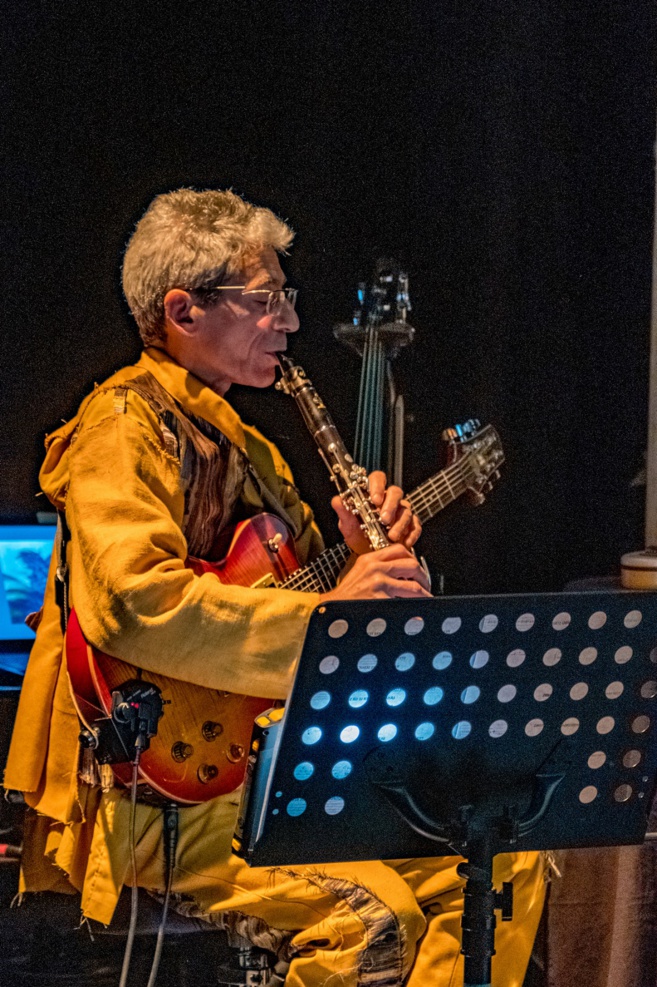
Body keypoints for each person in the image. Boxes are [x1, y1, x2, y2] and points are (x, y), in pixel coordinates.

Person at [4, 189, 545, 986]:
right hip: (161, 797)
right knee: (372, 919)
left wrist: (368, 557)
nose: (290, 321)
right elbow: (133, 604)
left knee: (502, 864)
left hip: (267, 777)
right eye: (265, 301)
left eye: (284, 298)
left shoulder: (252, 446)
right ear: (182, 310)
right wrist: (335, 613)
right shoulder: (121, 422)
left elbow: (313, 594)